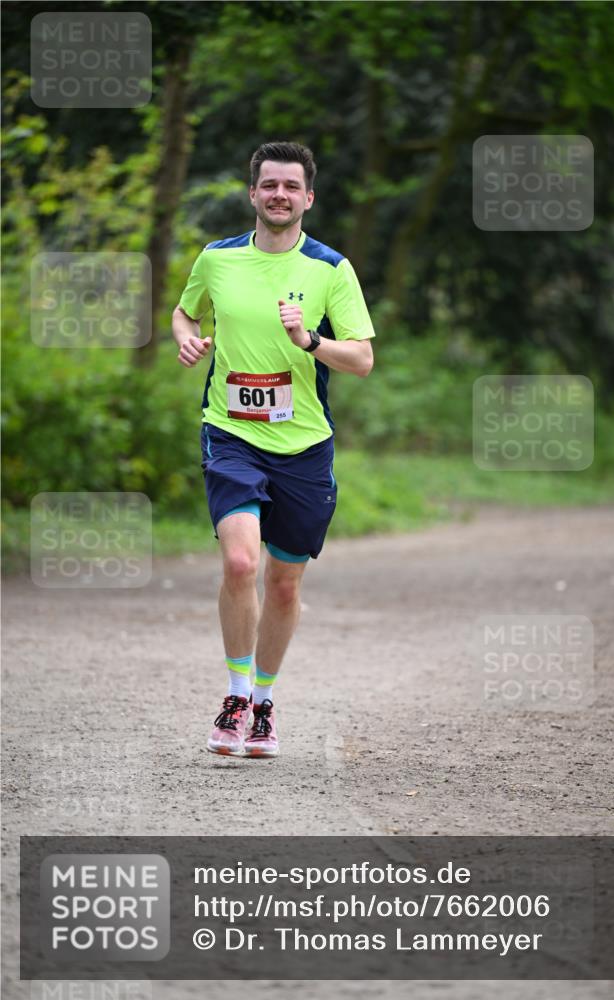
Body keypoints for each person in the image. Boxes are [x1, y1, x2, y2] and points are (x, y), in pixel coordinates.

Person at [172, 141, 375, 759]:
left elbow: (362, 359)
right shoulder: (218, 259)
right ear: (253, 193)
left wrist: (310, 339)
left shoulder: (330, 270)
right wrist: (188, 340)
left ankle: (263, 702)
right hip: (231, 434)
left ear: (308, 197)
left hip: (304, 447)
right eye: (269, 185)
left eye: (291, 186)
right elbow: (184, 314)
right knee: (239, 564)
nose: (279, 195)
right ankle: (235, 697)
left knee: (284, 584)